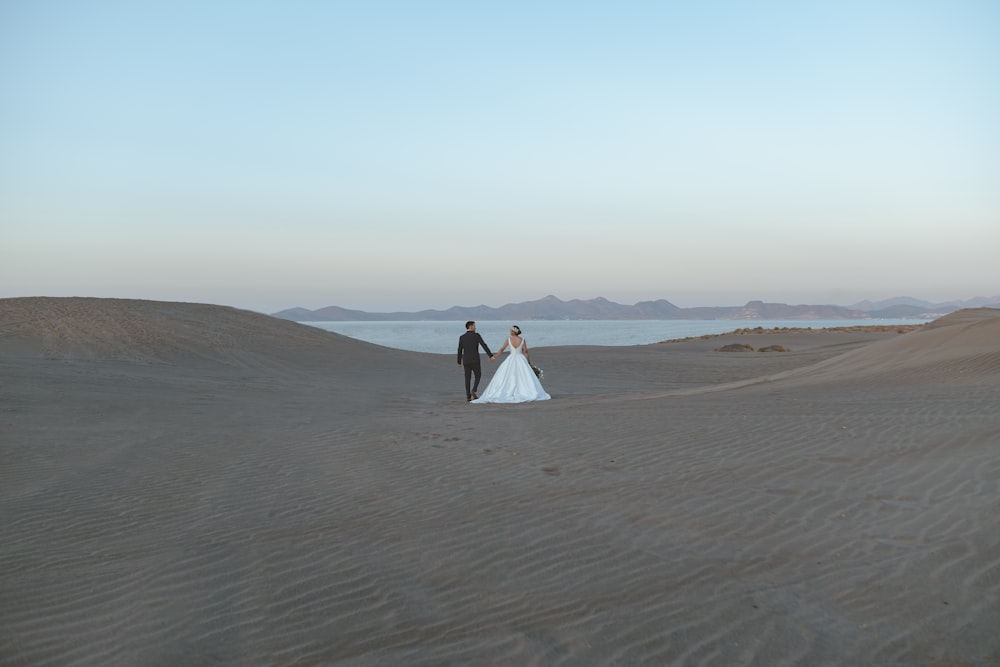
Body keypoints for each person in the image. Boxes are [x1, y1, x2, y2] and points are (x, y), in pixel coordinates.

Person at [472, 325, 550, 403]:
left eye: (510, 330)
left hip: (511, 358)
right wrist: (528, 362)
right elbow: (525, 351)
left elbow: (502, 349)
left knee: (506, 375)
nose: (509, 332)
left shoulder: (509, 339)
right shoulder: (522, 339)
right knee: (524, 376)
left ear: (514, 332)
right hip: (520, 358)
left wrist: (494, 357)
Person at [457, 321, 495, 402]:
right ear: (470, 326)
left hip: (466, 360)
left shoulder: (462, 337)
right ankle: (474, 390)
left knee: (467, 378)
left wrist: (459, 361)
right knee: (478, 375)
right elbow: (484, 345)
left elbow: (459, 350)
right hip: (475, 360)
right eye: (474, 326)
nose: (475, 327)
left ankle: (468, 396)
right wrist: (490, 355)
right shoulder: (476, 335)